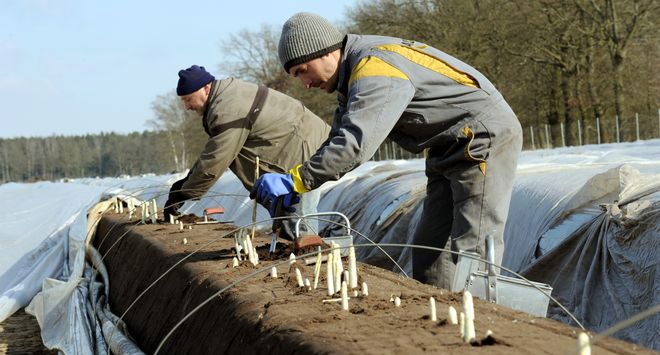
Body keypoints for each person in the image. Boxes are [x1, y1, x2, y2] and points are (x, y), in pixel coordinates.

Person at [251, 13, 523, 290]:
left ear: (325, 52)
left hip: (480, 138)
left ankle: (482, 323)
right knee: (430, 247)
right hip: (447, 145)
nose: (305, 83)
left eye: (302, 71)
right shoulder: (353, 78)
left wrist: (296, 180)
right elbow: (338, 138)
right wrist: (299, 184)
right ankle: (439, 317)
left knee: (472, 245)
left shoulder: (374, 67)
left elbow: (356, 144)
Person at [164, 65, 330, 240]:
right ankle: (294, 252)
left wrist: (185, 192)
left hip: (303, 150)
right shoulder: (225, 98)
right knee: (287, 218)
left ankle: (305, 260)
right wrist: (185, 183)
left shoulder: (227, 108)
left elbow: (216, 158)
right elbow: (213, 150)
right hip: (294, 146)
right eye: (183, 101)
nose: (187, 106)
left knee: (298, 221)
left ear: (206, 88)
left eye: (188, 99)